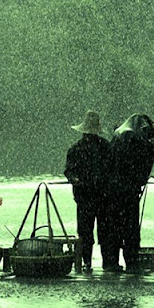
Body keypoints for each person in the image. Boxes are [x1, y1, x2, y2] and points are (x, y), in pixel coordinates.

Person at [107, 113, 154, 274]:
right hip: (127, 190)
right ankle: (132, 264)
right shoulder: (132, 137)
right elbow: (143, 157)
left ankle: (112, 264)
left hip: (113, 190)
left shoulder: (118, 136)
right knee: (130, 228)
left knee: (115, 227)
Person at [63, 110, 112, 273]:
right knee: (94, 232)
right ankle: (97, 263)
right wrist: (75, 180)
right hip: (92, 196)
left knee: (93, 232)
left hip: (93, 197)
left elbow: (69, 171)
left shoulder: (81, 148)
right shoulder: (102, 147)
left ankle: (91, 263)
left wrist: (76, 180)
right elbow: (69, 172)